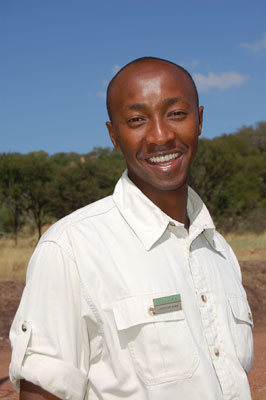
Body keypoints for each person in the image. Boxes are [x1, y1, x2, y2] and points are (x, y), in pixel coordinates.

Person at [9, 57, 254, 400]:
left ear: (200, 119)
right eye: (137, 120)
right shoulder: (71, 249)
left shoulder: (219, 251)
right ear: (114, 135)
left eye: (176, 114)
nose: (160, 135)